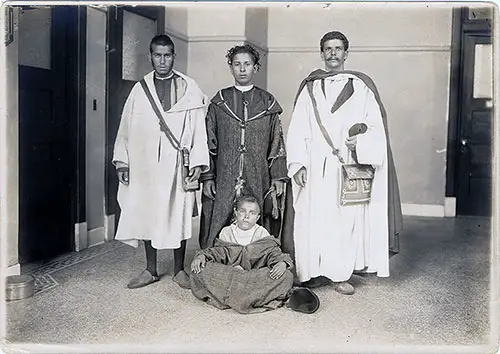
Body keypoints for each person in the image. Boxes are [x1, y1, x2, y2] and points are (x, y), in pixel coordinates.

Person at [284, 31, 403, 295]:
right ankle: (312, 273)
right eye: (328, 48)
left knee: (344, 220)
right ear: (322, 53)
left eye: (338, 48)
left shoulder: (361, 87)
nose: (333, 53)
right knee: (313, 218)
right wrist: (299, 164)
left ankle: (340, 274)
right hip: (315, 166)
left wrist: (359, 145)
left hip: (347, 165)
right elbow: (298, 129)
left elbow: (374, 126)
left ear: (346, 53)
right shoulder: (310, 88)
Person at [113, 34, 209, 289]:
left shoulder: (189, 87)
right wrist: (123, 162)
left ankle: (179, 270)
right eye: (158, 55)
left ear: (174, 57)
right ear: (150, 56)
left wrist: (198, 163)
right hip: (146, 165)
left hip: (177, 163)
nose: (163, 61)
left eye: (167, 55)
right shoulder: (139, 90)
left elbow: (199, 128)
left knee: (178, 212)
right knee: (148, 212)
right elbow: (125, 127)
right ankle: (151, 269)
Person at [199, 44, 288, 249]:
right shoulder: (219, 102)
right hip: (224, 175)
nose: (242, 69)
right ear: (230, 67)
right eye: (237, 64)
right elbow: (208, 141)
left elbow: (277, 142)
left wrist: (278, 177)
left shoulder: (267, 103)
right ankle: (216, 260)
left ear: (255, 68)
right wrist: (208, 177)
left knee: (256, 213)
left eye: (247, 64)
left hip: (258, 175)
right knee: (220, 214)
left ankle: (257, 260)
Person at [190, 195, 294, 314]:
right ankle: (250, 297)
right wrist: (201, 256)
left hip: (253, 277)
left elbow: (273, 253)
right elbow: (217, 253)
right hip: (231, 274)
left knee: (286, 276)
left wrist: (282, 263)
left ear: (257, 217)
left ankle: (234, 295)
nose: (246, 216)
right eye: (242, 211)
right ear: (236, 213)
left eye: (252, 213)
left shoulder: (262, 233)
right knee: (199, 269)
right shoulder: (227, 232)